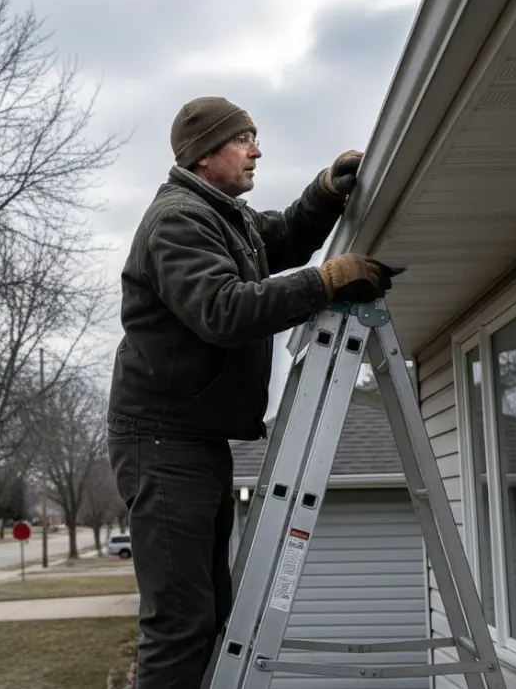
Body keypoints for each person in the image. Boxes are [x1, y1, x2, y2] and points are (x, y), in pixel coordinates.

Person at [106, 96, 399, 689]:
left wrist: (323, 192)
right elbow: (223, 310)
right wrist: (325, 281)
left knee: (211, 616)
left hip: (193, 440)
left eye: (255, 137)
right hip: (161, 447)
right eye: (244, 139)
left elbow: (281, 239)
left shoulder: (223, 217)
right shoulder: (178, 220)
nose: (257, 151)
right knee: (180, 624)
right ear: (204, 154)